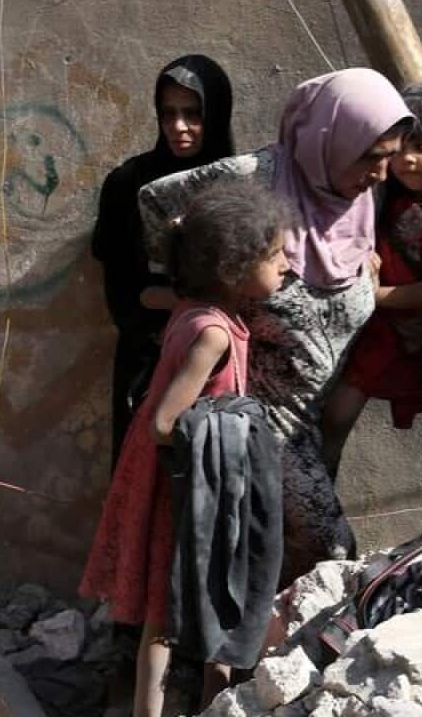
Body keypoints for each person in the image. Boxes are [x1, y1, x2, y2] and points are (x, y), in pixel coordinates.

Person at [139, 68, 413, 584]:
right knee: (332, 546)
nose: (382, 171)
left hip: (322, 414)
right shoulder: (261, 175)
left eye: (389, 155)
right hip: (270, 416)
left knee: (279, 550)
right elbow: (155, 203)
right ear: (332, 138)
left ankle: (258, 654)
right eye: (371, 156)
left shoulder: (354, 197)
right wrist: (204, 285)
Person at [81, 182, 292, 717]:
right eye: (276, 255)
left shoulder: (195, 310)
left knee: (173, 606)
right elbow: (164, 422)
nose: (288, 264)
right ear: (233, 269)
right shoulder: (213, 333)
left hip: (190, 482)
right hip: (185, 489)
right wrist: (235, 435)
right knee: (186, 601)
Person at [323, 84, 422, 475]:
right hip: (345, 319)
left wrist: (374, 294)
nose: (405, 160)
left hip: (390, 332)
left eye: (421, 147)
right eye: (399, 149)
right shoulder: (384, 190)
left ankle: (317, 497)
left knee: (335, 418)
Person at [92, 54, 234, 472]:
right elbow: (118, 280)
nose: (179, 127)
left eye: (193, 114)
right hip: (146, 357)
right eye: (168, 113)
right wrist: (154, 325)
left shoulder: (236, 184)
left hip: (219, 365)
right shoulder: (129, 183)